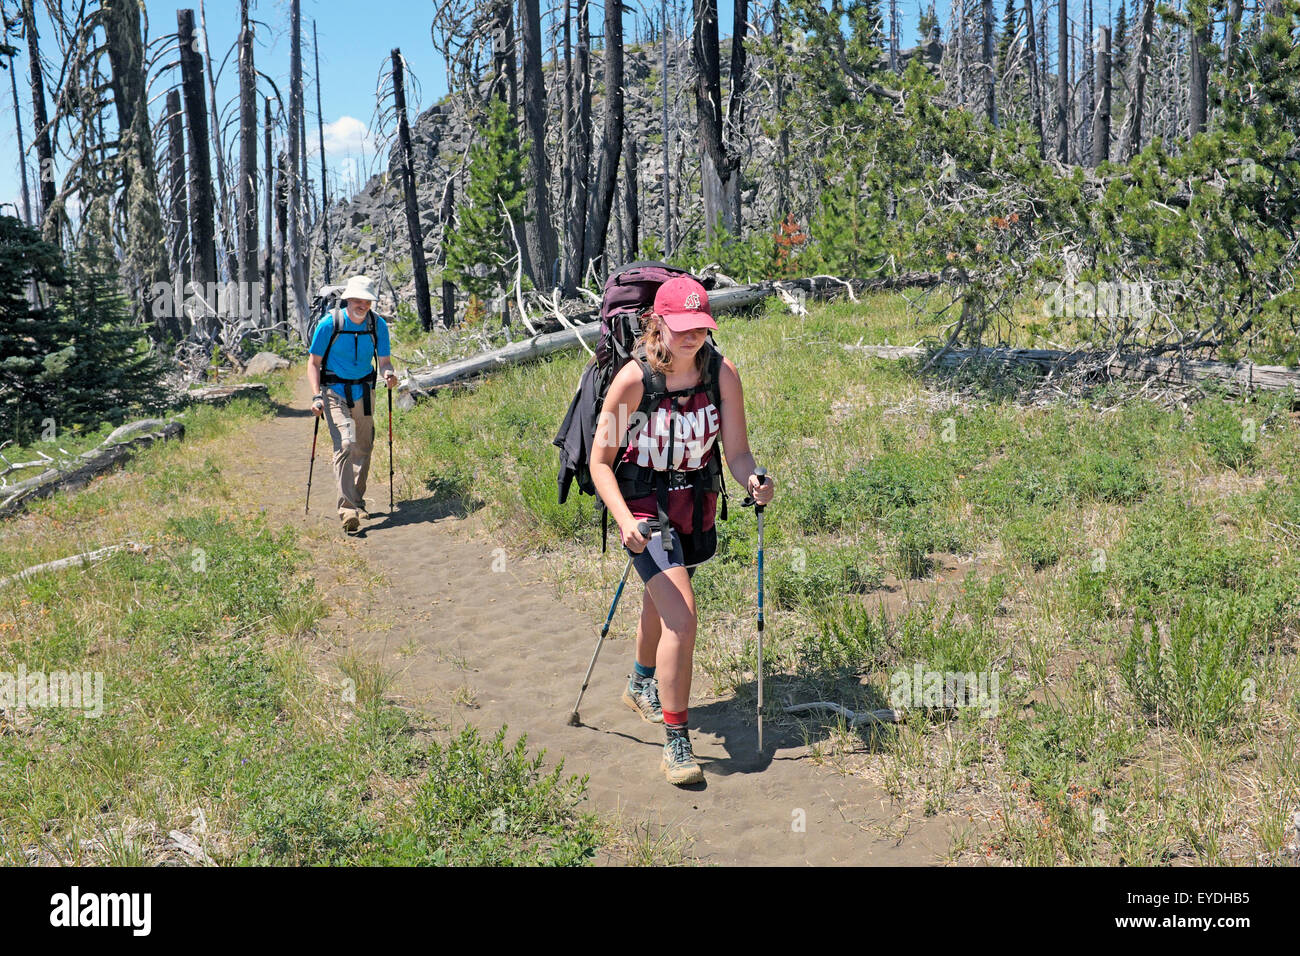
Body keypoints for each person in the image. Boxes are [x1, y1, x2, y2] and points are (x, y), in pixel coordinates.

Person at [590, 275, 776, 786]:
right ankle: (676, 742)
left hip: (694, 503)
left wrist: (754, 478)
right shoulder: (632, 381)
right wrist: (625, 521)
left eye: (701, 327)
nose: (692, 336)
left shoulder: (722, 375)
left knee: (663, 596)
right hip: (642, 506)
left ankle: (640, 683)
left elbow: (736, 452)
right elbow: (599, 461)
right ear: (659, 323)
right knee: (683, 617)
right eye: (682, 327)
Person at [306, 275, 398, 534]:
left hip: (365, 391)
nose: (363, 304)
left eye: (367, 300)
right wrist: (316, 396)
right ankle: (347, 509)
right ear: (348, 299)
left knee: (364, 445)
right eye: (358, 300)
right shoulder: (329, 324)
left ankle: (357, 499)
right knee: (346, 443)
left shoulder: (377, 325)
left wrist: (388, 374)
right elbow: (313, 363)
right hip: (334, 392)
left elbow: (385, 361)